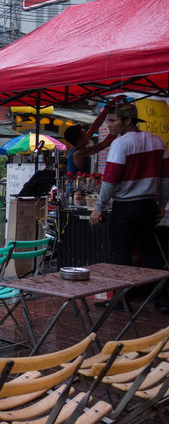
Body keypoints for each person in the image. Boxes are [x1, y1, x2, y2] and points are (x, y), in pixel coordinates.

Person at [89, 101, 169, 312]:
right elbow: (165, 177)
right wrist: (161, 204)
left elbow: (111, 179)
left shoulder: (121, 143)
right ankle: (162, 300)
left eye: (113, 121)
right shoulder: (158, 141)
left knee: (121, 253)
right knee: (151, 252)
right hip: (148, 206)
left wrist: (99, 207)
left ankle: (122, 300)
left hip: (125, 207)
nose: (110, 126)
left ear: (128, 120)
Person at [64, 105, 115, 175]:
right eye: (85, 134)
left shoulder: (76, 146)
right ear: (80, 141)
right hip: (78, 185)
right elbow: (105, 143)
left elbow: (94, 126)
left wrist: (107, 108)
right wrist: (119, 125)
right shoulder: (79, 153)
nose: (88, 135)